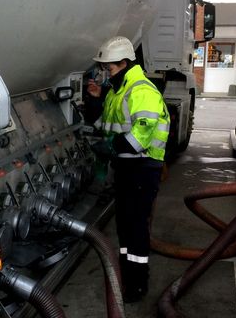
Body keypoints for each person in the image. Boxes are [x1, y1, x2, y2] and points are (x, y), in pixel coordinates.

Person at [85, 36, 170, 302]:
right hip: (127, 167)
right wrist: (95, 100)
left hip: (142, 168)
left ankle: (137, 285)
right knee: (125, 225)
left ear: (123, 64)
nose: (105, 73)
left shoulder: (140, 90)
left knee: (134, 227)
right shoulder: (118, 91)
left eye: (109, 68)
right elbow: (104, 124)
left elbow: (141, 134)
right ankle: (128, 274)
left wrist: (111, 147)